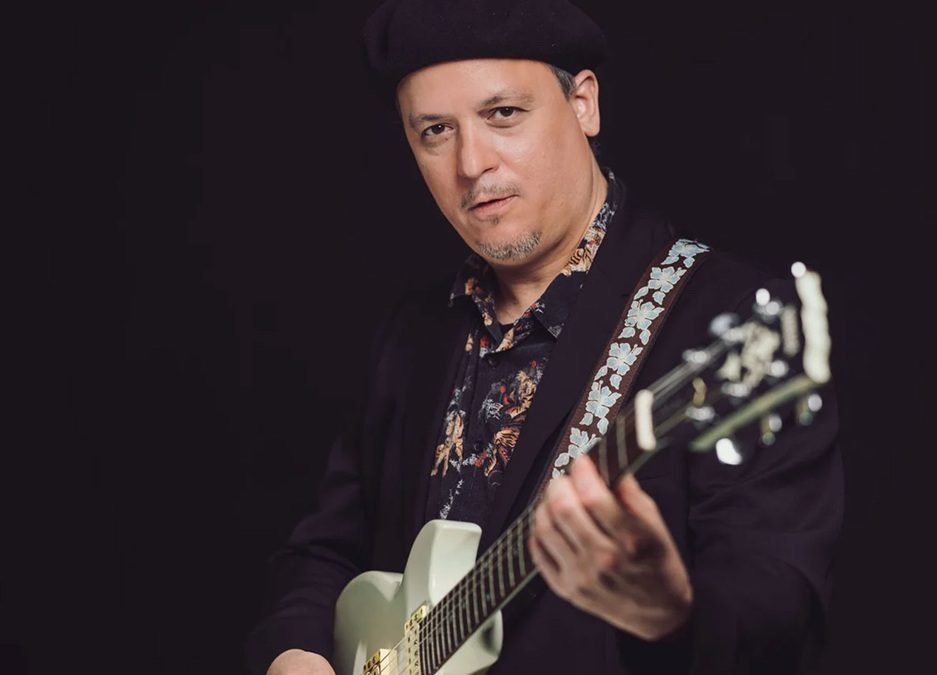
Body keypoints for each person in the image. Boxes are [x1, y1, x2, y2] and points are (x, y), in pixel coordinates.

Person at [246, 1, 844, 673]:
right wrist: (294, 653)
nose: (471, 163)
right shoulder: (412, 334)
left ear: (583, 103)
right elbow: (324, 551)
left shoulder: (719, 322)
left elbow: (780, 613)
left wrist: (672, 612)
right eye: (435, 131)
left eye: (503, 114)